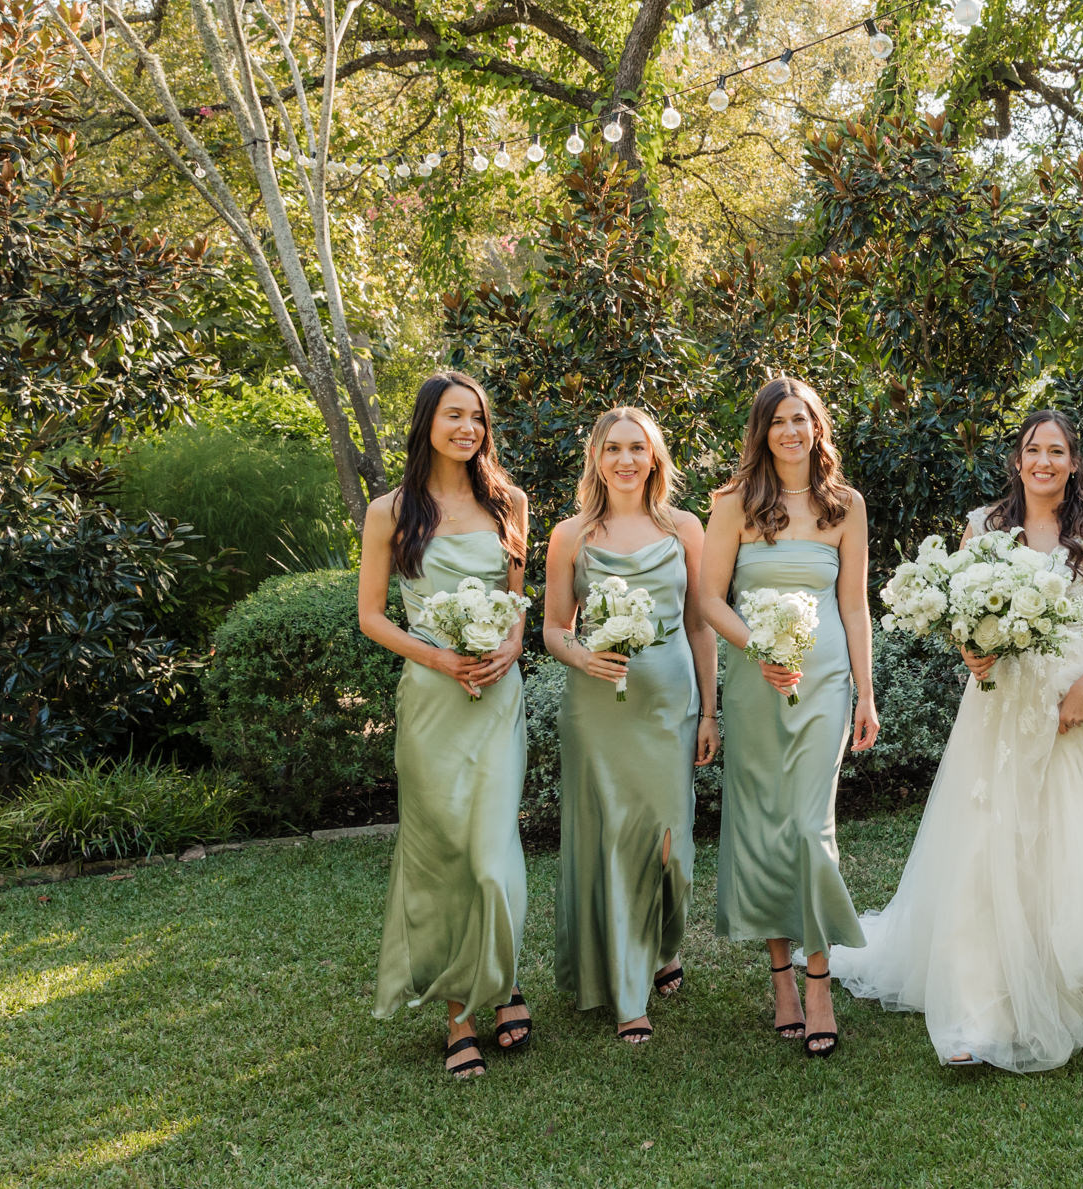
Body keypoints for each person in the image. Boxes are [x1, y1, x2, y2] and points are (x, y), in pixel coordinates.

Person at [830, 411, 1083, 1072]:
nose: (1043, 460)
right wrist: (971, 652)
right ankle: (978, 1008)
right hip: (999, 704)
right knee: (987, 843)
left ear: (1074, 461)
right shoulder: (984, 525)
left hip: (1070, 706)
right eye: (1032, 450)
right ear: (1017, 460)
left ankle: (1057, 978)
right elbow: (965, 609)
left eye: (1057, 451)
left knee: (1058, 845)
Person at [358, 371, 531, 1078]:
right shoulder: (390, 510)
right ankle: (462, 1009)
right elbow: (370, 615)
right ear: (428, 421)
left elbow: (518, 608)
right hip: (431, 700)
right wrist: (437, 655)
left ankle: (503, 978)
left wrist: (506, 651)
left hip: (496, 697)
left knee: (492, 854)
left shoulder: (510, 502)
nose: (469, 429)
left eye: (478, 419)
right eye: (455, 415)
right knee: (445, 853)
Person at [698, 377, 878, 1059]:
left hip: (826, 680)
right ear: (762, 431)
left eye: (801, 419)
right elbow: (711, 600)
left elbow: (855, 603)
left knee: (809, 824)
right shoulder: (734, 504)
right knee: (762, 822)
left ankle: (819, 977)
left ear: (817, 427)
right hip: (754, 682)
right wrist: (760, 647)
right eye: (778, 420)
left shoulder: (845, 505)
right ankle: (779, 978)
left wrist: (866, 691)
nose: (791, 431)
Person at [544, 407, 716, 1043]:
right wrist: (583, 654)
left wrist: (709, 709)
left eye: (636, 449)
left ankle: (665, 941)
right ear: (595, 457)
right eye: (612, 448)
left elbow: (699, 625)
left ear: (655, 458)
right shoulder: (571, 536)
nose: (624, 460)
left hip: (669, 703)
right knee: (615, 838)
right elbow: (553, 628)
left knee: (672, 846)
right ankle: (627, 989)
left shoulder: (685, 529)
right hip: (598, 710)